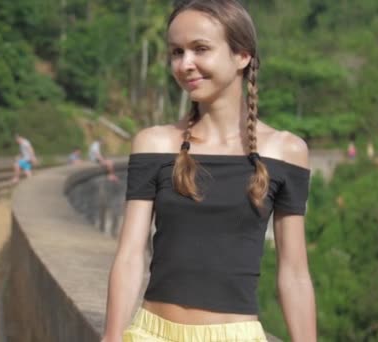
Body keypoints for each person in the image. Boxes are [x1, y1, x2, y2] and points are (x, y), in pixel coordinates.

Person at [102, 1, 316, 342]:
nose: (185, 64)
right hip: (150, 333)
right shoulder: (154, 144)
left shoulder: (286, 151)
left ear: (242, 56)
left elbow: (294, 273)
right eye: (176, 52)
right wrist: (112, 337)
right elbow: (130, 255)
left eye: (200, 49)